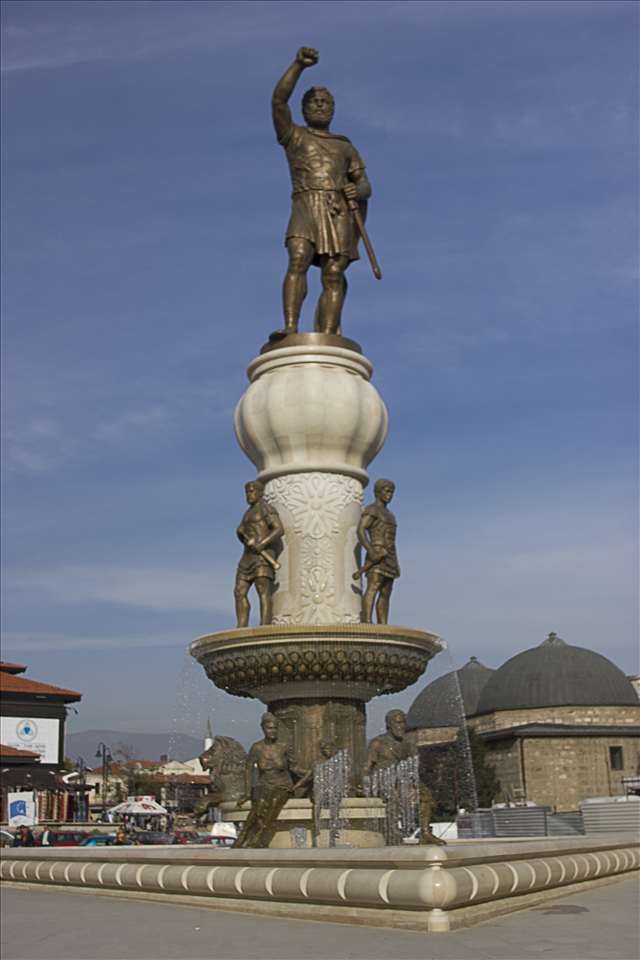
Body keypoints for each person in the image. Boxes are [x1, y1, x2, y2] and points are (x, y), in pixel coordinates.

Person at [271, 47, 372, 338]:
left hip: (337, 208)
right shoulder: (295, 136)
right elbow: (278, 100)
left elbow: (364, 183)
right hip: (305, 203)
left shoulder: (345, 146)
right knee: (298, 257)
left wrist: (358, 189)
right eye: (313, 102)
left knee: (333, 273)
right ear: (304, 109)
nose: (319, 106)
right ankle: (290, 326)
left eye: (325, 102)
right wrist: (298, 66)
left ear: (333, 109)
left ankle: (328, 333)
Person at [361, 709, 444, 845]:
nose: (401, 726)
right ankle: (393, 831)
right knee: (392, 794)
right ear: (389, 724)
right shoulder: (378, 743)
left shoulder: (407, 744)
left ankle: (425, 833)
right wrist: (363, 786)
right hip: (381, 780)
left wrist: (418, 784)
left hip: (400, 780)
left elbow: (413, 769)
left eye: (403, 723)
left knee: (425, 793)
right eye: (398, 723)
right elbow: (367, 767)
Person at [233, 714, 303, 848]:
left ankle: (260, 834)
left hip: (282, 784)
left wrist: (313, 771)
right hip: (264, 784)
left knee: (275, 800)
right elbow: (248, 770)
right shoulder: (257, 748)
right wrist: (248, 793)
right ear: (263, 729)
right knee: (260, 803)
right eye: (269, 728)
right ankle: (243, 834)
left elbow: (296, 768)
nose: (272, 731)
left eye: (275, 728)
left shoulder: (284, 746)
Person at [234, 481, 284, 627]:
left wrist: (261, 543)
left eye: (252, 492)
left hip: (263, 555)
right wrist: (240, 533)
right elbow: (245, 537)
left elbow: (279, 529)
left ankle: (264, 625)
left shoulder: (267, 509)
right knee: (239, 591)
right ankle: (241, 627)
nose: (249, 495)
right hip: (247, 556)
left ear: (260, 493)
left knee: (262, 589)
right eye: (247, 492)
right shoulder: (247, 513)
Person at [357, 479, 400, 624]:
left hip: (390, 555)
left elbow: (392, 542)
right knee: (374, 586)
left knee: (386, 590)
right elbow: (361, 530)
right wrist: (370, 550)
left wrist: (396, 562)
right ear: (377, 492)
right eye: (387, 492)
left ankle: (383, 625)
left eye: (391, 492)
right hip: (376, 551)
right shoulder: (372, 509)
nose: (390, 495)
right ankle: (367, 622)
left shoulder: (391, 515)